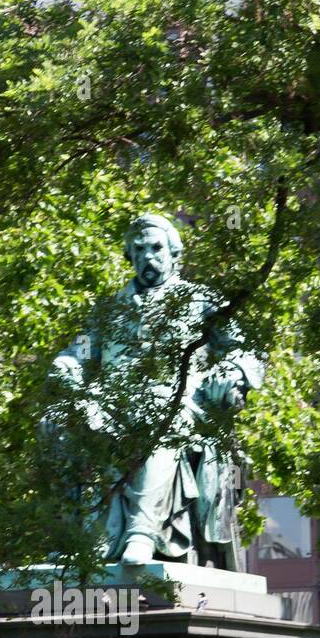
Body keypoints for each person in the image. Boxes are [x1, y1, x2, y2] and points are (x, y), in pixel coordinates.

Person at [45, 212, 259, 568]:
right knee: (64, 420)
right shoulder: (108, 309)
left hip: (180, 402)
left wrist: (229, 372)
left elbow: (244, 350)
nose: (148, 256)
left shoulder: (202, 301)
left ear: (175, 254)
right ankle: (87, 537)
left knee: (158, 410)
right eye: (139, 249)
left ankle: (142, 533)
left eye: (156, 248)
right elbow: (79, 351)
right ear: (130, 256)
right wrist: (66, 366)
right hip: (112, 402)